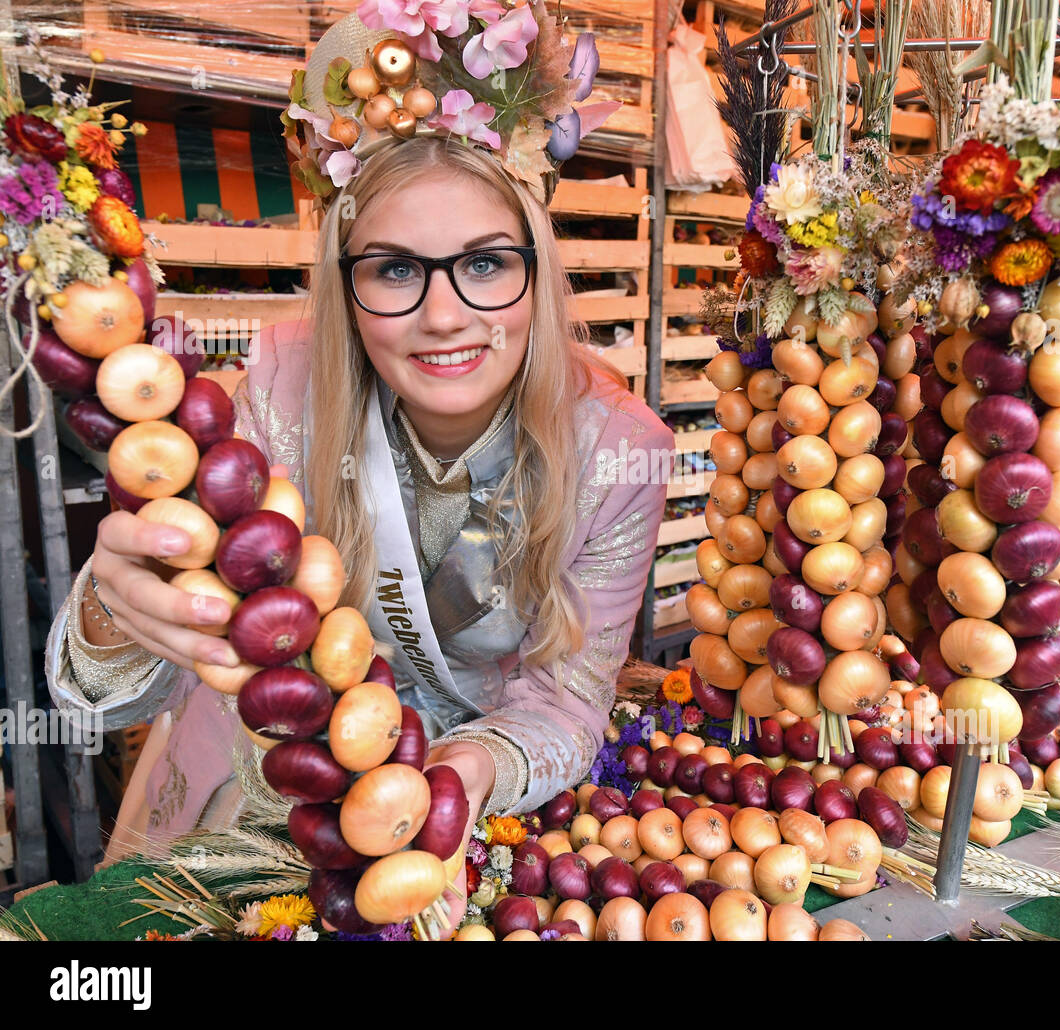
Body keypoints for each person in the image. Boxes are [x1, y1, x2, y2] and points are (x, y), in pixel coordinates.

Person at [45, 6, 674, 907]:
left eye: (487, 264)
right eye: (394, 270)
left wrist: (455, 778)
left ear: (539, 270)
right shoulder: (278, 384)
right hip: (247, 800)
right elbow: (109, 701)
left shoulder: (621, 455)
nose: (446, 314)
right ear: (345, 287)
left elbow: (568, 702)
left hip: (441, 831)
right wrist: (118, 612)